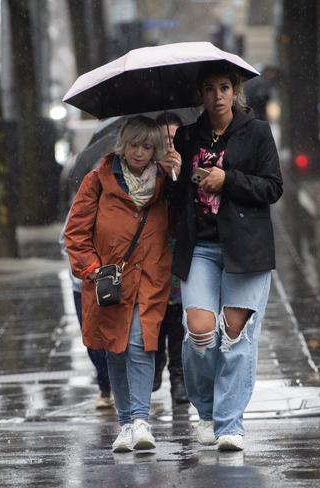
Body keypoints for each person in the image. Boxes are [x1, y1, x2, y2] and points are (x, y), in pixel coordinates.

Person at [169, 61, 283, 451]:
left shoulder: (256, 133)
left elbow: (272, 188)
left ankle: (230, 424)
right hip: (199, 246)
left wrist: (227, 179)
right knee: (200, 331)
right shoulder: (186, 137)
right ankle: (206, 411)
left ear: (235, 91)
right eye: (208, 89)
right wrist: (173, 173)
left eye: (223, 88)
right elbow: (174, 199)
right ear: (200, 95)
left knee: (235, 336)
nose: (216, 96)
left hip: (245, 247)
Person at [64, 115, 179, 453]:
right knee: (115, 348)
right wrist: (93, 270)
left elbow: (181, 220)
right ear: (122, 145)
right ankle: (126, 422)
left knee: (141, 344)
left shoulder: (164, 181)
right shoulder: (98, 180)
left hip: (150, 278)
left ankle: (141, 421)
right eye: (134, 145)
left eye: (147, 146)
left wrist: (177, 173)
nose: (140, 152)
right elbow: (75, 233)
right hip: (110, 282)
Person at [152, 111, 188, 405]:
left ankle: (178, 375)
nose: (171, 144)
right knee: (157, 310)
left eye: (176, 138)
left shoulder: (189, 164)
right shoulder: (148, 169)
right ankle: (157, 362)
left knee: (176, 312)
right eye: (165, 139)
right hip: (153, 249)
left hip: (179, 246)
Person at [59, 220, 113, 410]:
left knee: (118, 336)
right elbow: (67, 240)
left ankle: (114, 386)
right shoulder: (83, 202)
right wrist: (87, 266)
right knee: (92, 339)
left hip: (116, 282)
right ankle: (105, 385)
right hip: (83, 285)